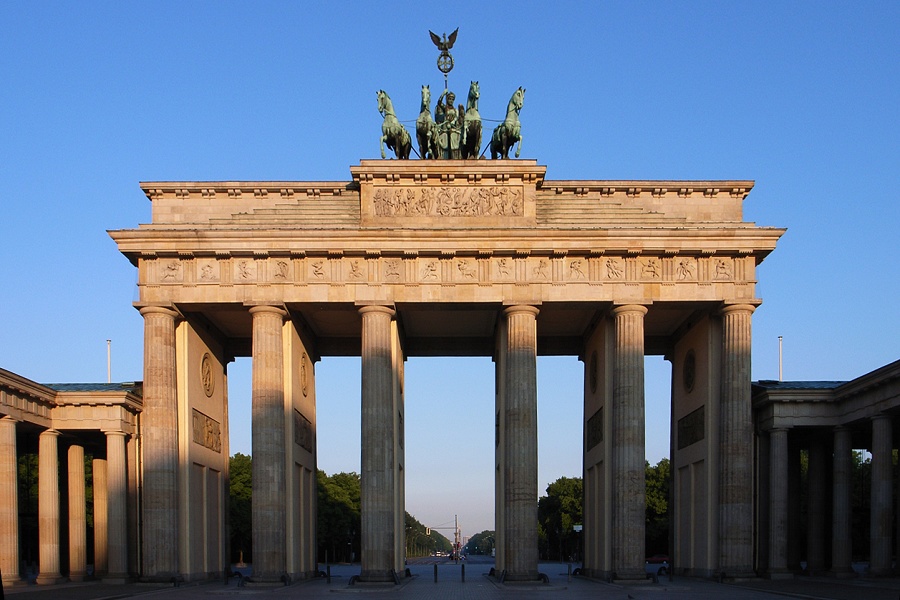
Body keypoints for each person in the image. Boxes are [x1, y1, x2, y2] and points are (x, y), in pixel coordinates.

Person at [435, 90, 461, 158]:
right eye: (449, 99)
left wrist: (453, 121)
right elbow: (439, 102)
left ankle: (454, 154)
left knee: (455, 136)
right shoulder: (445, 108)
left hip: (453, 128)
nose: (451, 101)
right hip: (445, 128)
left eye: (452, 99)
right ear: (447, 99)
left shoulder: (456, 110)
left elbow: (456, 117)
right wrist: (443, 94)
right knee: (443, 137)